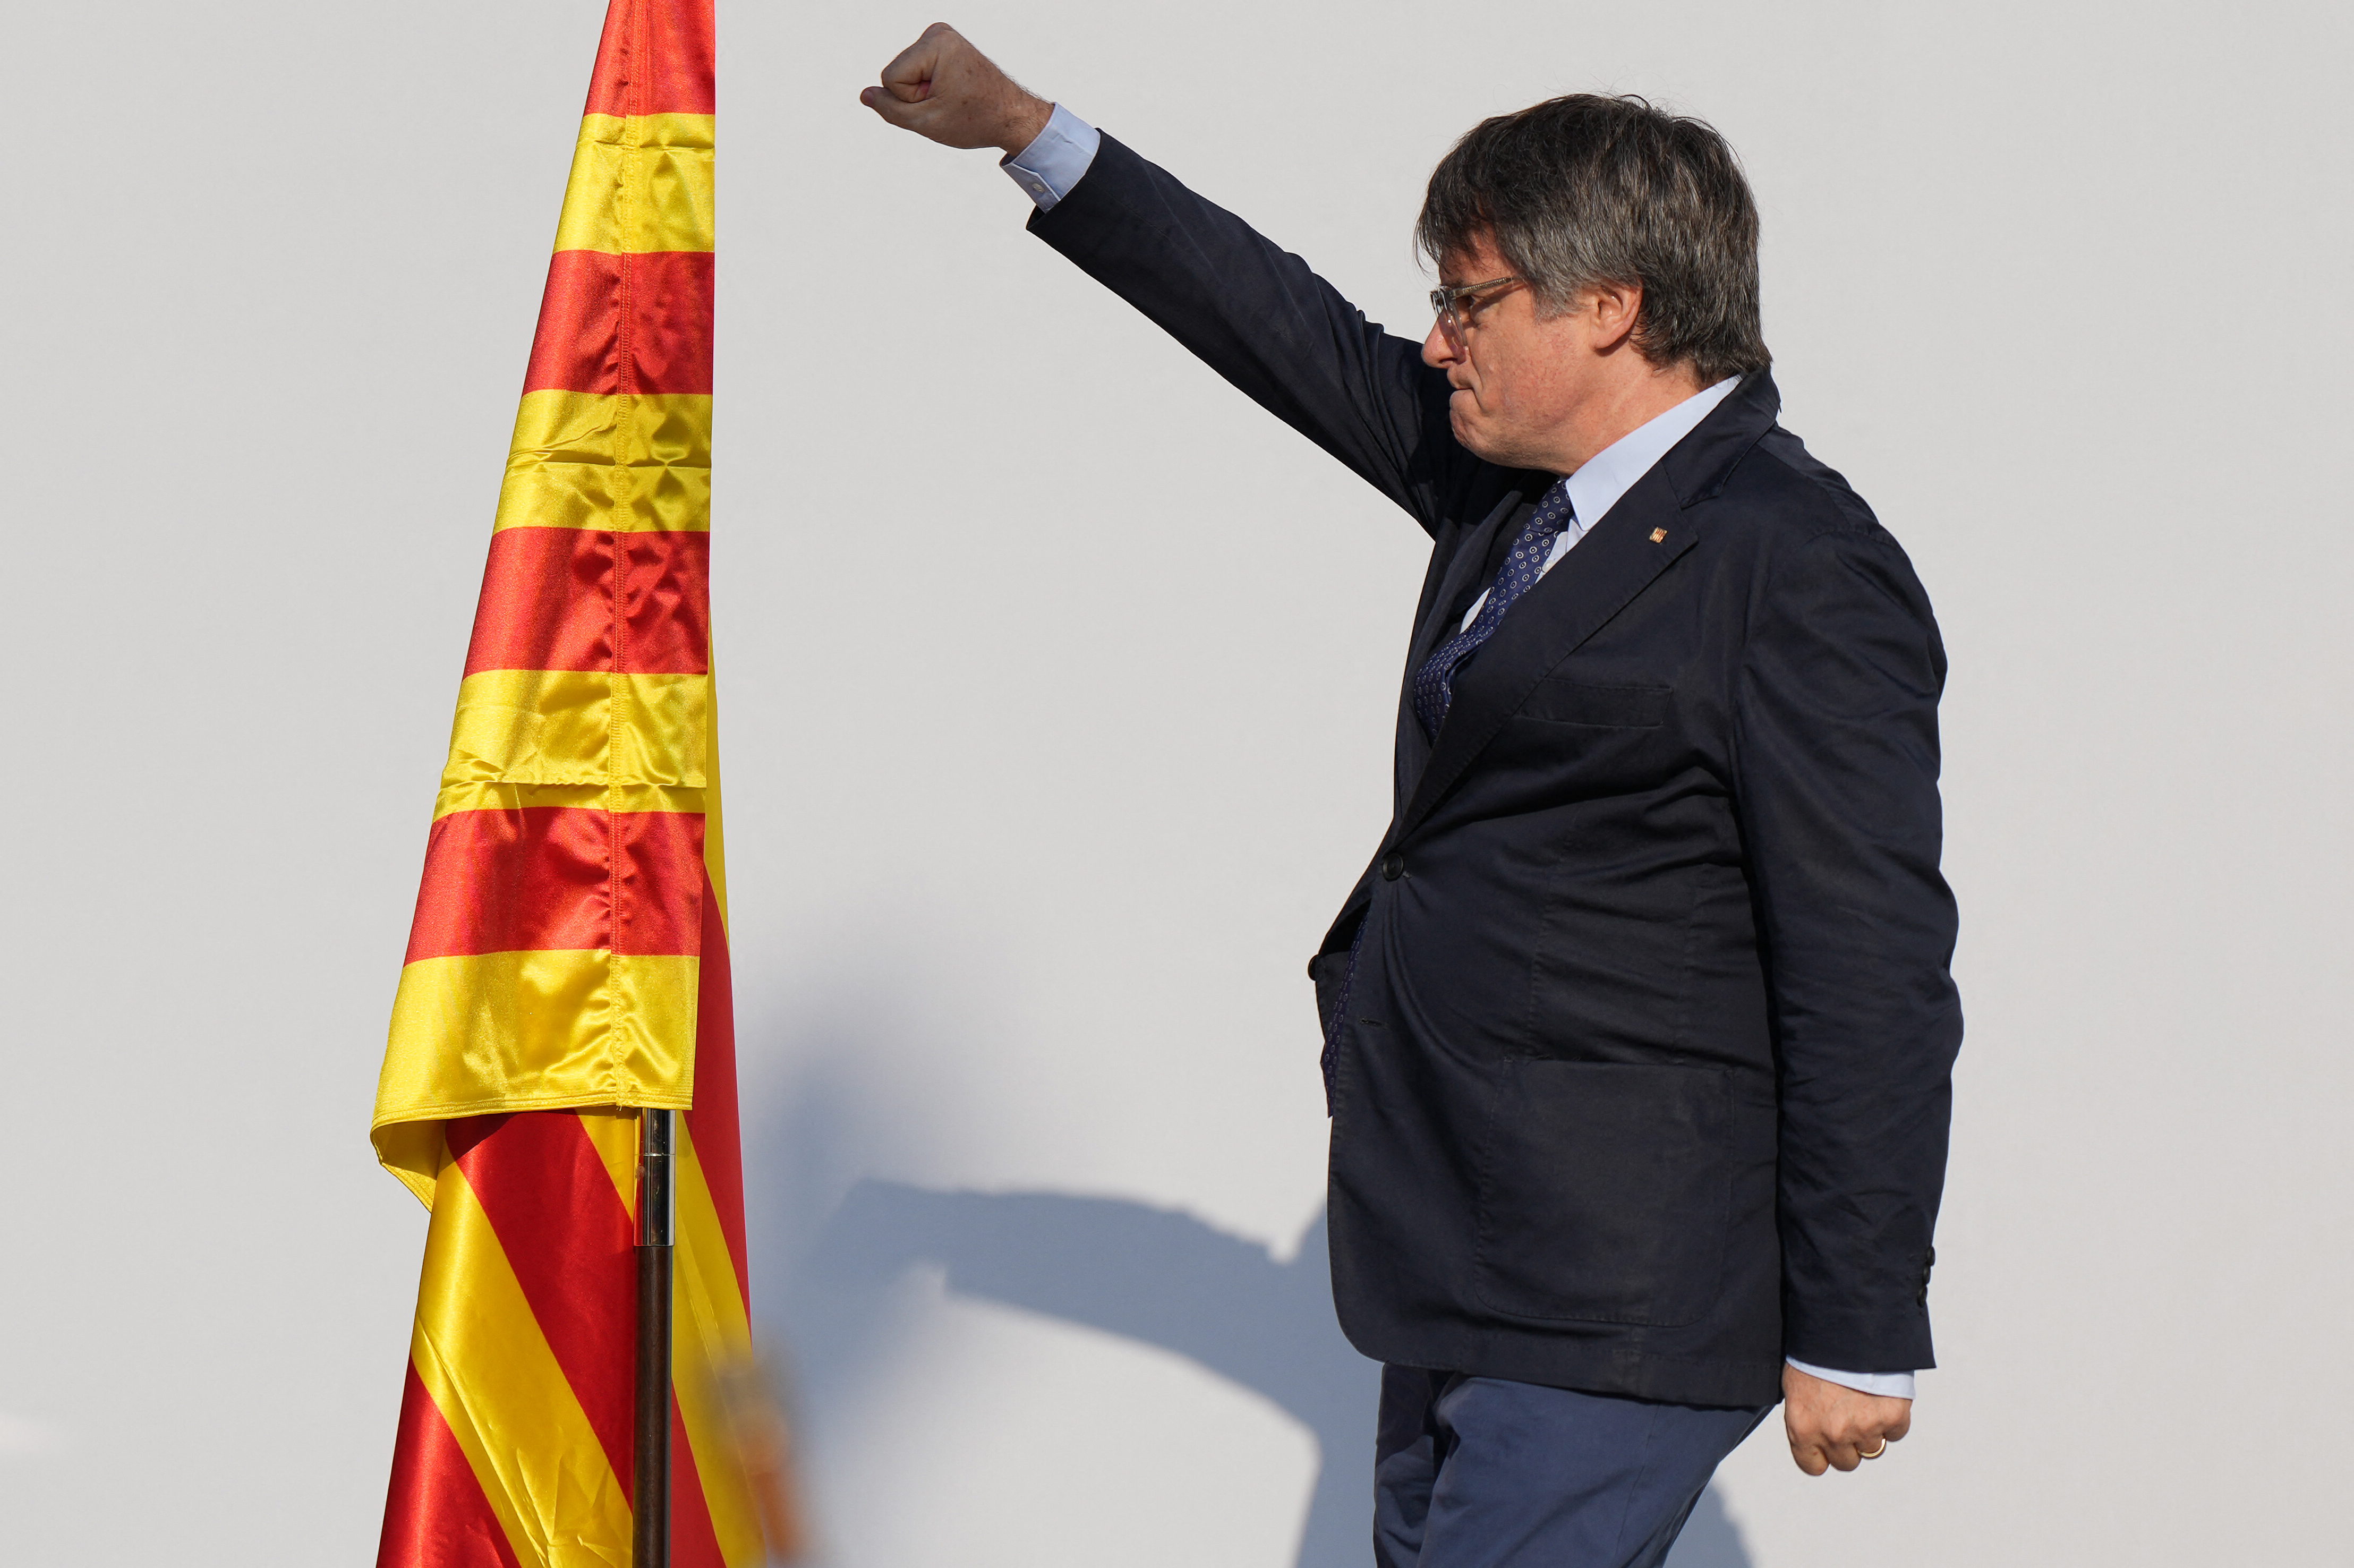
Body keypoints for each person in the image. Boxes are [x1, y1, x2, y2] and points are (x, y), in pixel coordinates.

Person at [861, 24, 1963, 1568]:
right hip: (1458, 1250)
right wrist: (1027, 133)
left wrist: (1857, 1323)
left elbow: (1872, 968)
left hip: (1620, 1297)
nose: (1436, 339)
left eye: (1468, 302)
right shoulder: (1519, 490)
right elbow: (1284, 330)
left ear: (1611, 308)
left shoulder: (1797, 566)